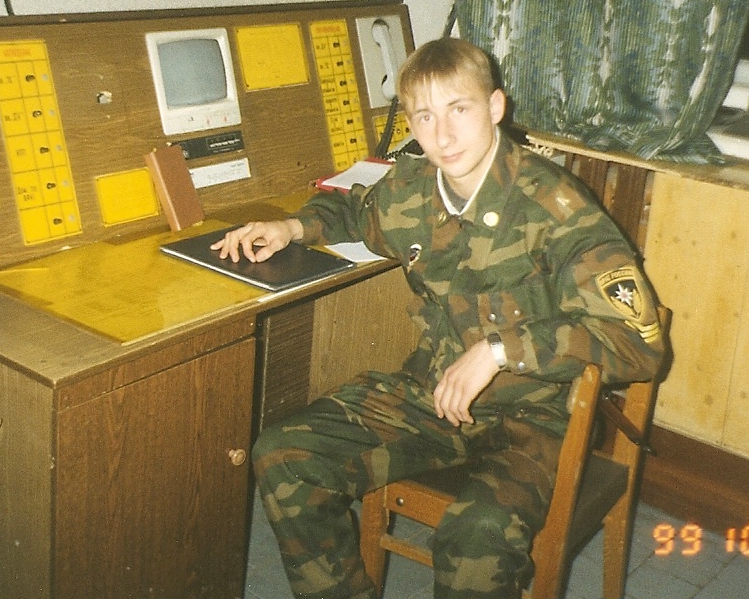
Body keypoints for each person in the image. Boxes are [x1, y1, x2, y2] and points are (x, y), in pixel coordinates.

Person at [212, 37, 664, 599]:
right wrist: (292, 228)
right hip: (432, 394)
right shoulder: (412, 188)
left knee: (474, 537)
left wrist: (499, 352)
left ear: (495, 107)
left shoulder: (556, 208)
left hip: (535, 417)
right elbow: (355, 208)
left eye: (459, 109)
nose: (443, 135)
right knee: (284, 454)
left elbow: (639, 344)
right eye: (425, 116)